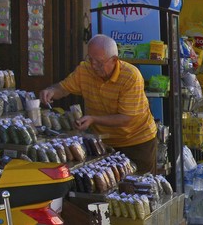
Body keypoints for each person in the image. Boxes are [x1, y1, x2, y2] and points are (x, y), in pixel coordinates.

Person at [39, 34, 158, 173]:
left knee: (139, 185)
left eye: (99, 62)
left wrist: (93, 119)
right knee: (107, 185)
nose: (94, 66)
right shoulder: (85, 69)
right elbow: (64, 88)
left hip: (136, 141)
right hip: (104, 141)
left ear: (114, 60)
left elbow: (127, 118)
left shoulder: (131, 76)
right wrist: (51, 91)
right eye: (90, 59)